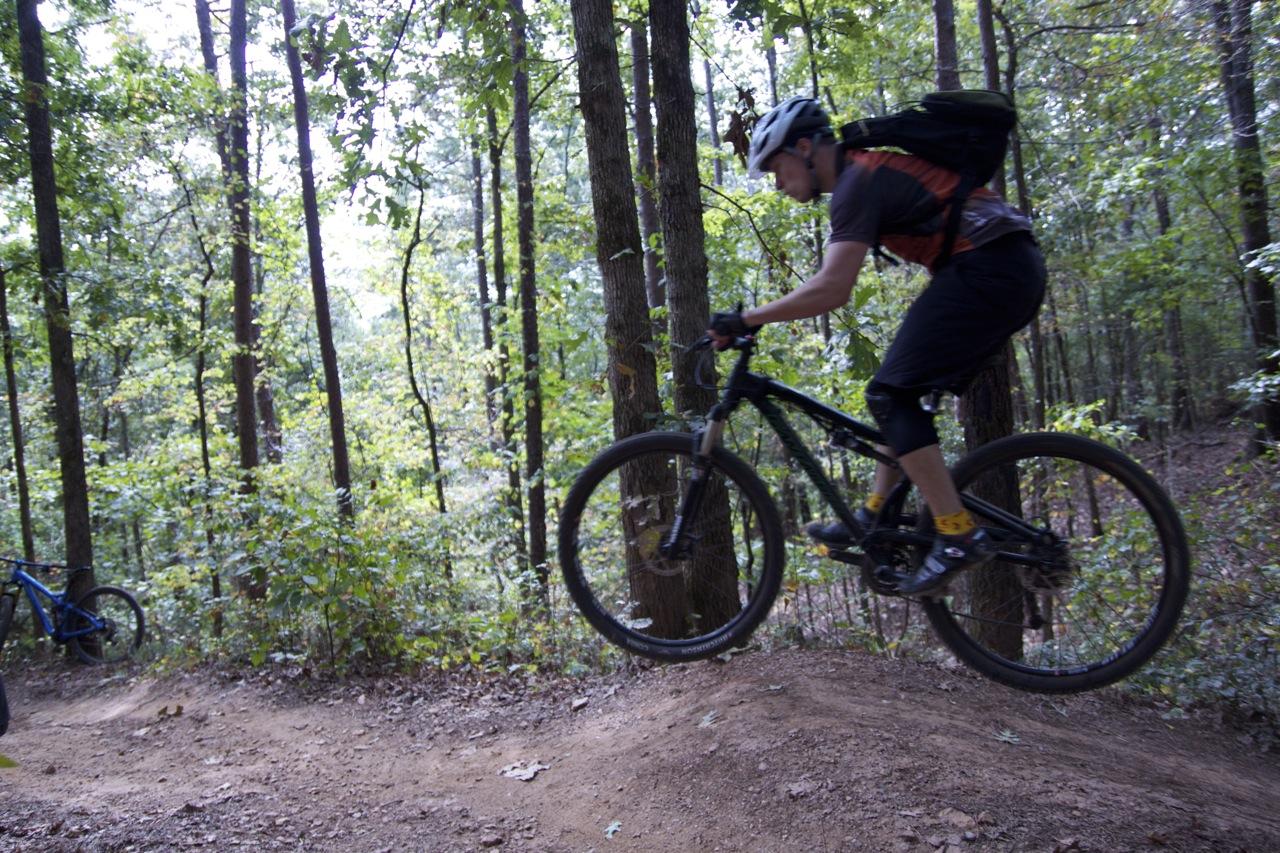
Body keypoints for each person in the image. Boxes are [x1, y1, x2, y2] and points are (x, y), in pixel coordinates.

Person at [707, 95, 1046, 595]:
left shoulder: (856, 181)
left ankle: (956, 534)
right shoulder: (860, 175)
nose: (777, 184)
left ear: (804, 147)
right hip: (995, 268)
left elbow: (832, 288)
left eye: (776, 169)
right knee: (895, 394)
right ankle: (874, 515)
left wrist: (747, 318)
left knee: (890, 394)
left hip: (993, 269)